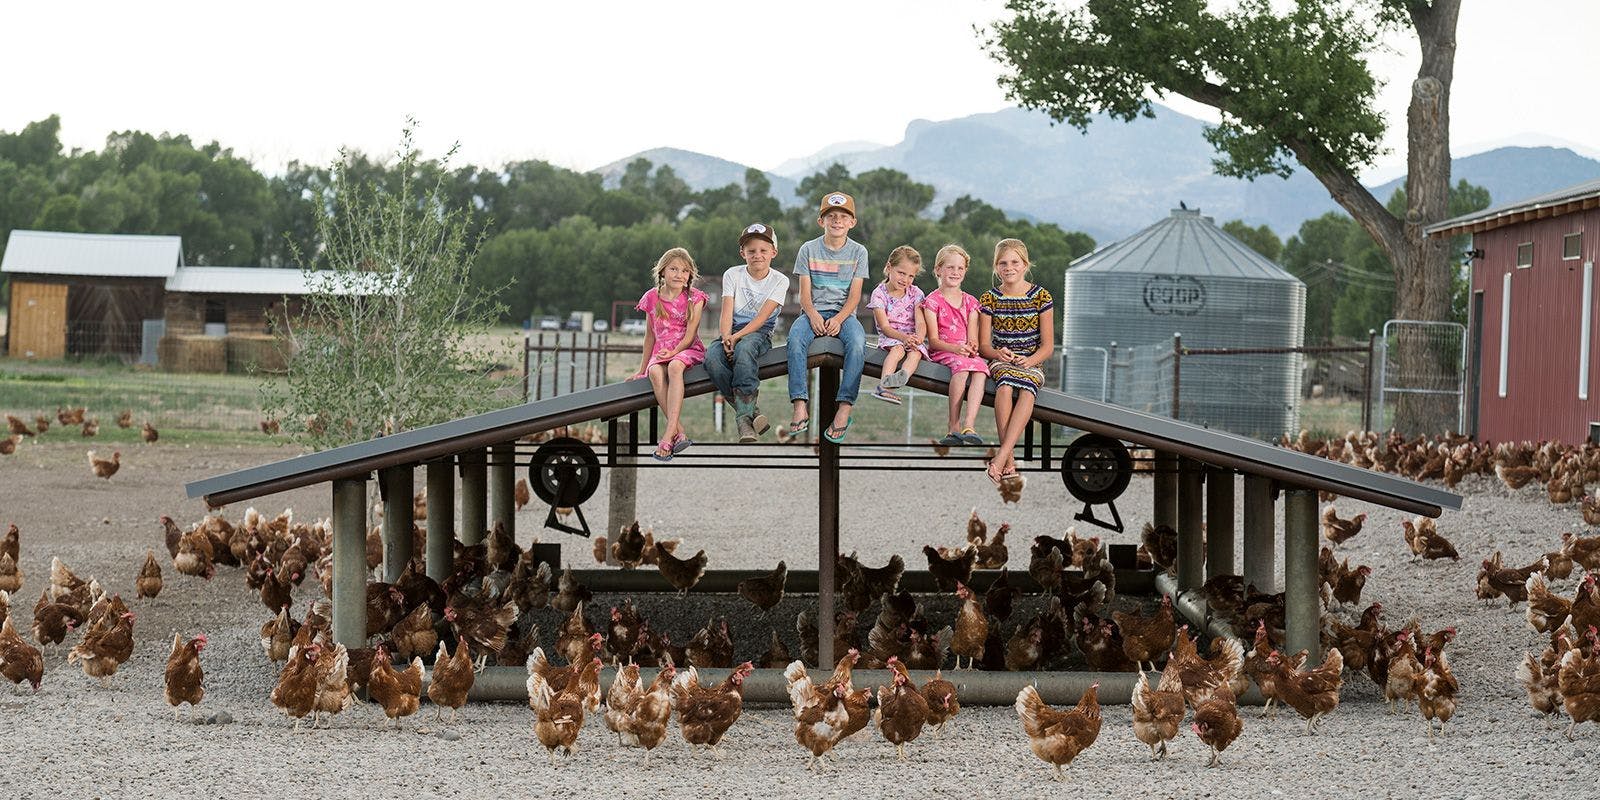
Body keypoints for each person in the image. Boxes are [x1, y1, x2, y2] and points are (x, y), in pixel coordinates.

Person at [787, 191, 869, 443]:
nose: (837, 221)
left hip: (844, 315)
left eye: (843, 217)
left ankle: (844, 407)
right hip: (813, 311)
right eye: (831, 216)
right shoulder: (808, 249)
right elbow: (804, 294)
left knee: (857, 344)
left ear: (852, 222)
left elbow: (855, 296)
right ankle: (800, 402)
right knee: (795, 340)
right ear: (821, 220)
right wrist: (812, 316)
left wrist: (840, 319)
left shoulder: (858, 252)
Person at [979, 238, 1054, 484]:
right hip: (1002, 360)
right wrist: (998, 353)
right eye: (1002, 263)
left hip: (1032, 362)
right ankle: (1008, 460)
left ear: (1025, 264)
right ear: (995, 267)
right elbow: (984, 346)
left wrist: (1030, 360)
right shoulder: (989, 298)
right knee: (1005, 386)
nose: (1008, 267)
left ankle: (1001, 458)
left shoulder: (1041, 297)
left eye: (1014, 262)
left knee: (1027, 392)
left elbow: (1048, 347)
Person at [705, 222, 790, 442]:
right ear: (743, 253)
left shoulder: (780, 280)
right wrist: (726, 337)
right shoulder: (732, 275)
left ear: (774, 252)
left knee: (744, 350)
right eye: (751, 251)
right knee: (712, 358)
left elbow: (762, 318)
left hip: (759, 334)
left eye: (763, 250)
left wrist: (736, 338)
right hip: (731, 332)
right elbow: (726, 312)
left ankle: (743, 419)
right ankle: (752, 411)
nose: (757, 255)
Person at [632, 247, 708, 462]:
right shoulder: (651, 298)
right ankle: (679, 431)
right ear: (662, 271)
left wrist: (675, 352)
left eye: (685, 271)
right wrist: (641, 369)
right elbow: (650, 337)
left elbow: (691, 335)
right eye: (674, 269)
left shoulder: (695, 298)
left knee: (675, 367)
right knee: (655, 372)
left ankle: (668, 434)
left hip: (686, 349)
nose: (679, 275)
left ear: (690, 275)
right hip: (662, 351)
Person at [921, 244, 989, 447]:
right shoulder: (932, 301)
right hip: (944, 351)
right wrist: (956, 349)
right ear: (938, 270)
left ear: (965, 272)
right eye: (950, 267)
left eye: (960, 268)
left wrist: (972, 347)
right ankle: (953, 426)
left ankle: (970, 425)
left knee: (980, 370)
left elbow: (973, 337)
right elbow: (933, 341)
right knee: (961, 369)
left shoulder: (971, 302)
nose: (955, 272)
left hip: (964, 352)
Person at [866, 245, 927, 405]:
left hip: (911, 338)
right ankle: (884, 385)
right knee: (898, 350)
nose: (905, 280)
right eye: (901, 273)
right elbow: (885, 327)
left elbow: (920, 321)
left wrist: (919, 338)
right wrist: (903, 338)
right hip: (891, 337)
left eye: (911, 276)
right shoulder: (879, 294)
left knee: (916, 354)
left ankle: (902, 376)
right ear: (889, 267)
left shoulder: (916, 293)